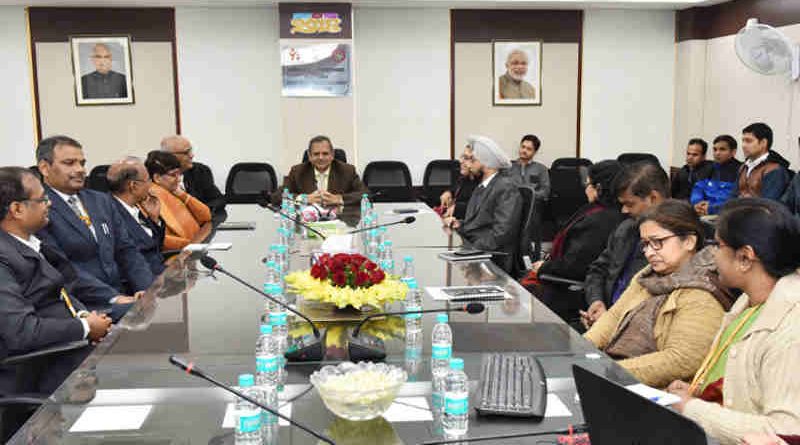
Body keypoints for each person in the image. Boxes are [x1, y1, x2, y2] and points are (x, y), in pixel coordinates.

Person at [667, 198, 800, 445]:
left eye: (718, 245)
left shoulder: (791, 330)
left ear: (745, 258)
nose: (713, 254)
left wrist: (692, 408)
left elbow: (786, 431)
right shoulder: (749, 300)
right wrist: (695, 393)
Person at [584, 200, 732, 388]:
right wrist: (581, 350)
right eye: (645, 244)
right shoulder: (648, 275)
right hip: (617, 376)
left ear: (689, 241)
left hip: (660, 393)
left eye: (658, 242)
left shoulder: (702, 292)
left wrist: (606, 370)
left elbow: (681, 360)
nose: (648, 252)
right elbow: (614, 316)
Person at [0, 167, 112, 396]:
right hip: (39, 370)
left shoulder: (31, 242)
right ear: (17, 209)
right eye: (42, 199)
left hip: (68, 351)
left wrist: (84, 317)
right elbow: (22, 332)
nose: (49, 204)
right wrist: (85, 328)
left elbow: (61, 291)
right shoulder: (3, 258)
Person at [35, 136, 153, 321]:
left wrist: (146, 289)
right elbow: (61, 267)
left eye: (82, 163)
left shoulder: (100, 200)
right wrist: (113, 297)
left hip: (123, 297)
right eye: (69, 163)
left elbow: (127, 250)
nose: (80, 170)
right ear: (44, 168)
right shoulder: (39, 208)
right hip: (84, 307)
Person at [526, 160, 625, 323]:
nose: (585, 187)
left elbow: (575, 267)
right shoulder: (608, 211)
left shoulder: (598, 220)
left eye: (588, 184)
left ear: (598, 188)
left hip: (571, 290)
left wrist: (544, 267)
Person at [581, 162, 669, 328]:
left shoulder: (675, 244)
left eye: (630, 204)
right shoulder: (626, 229)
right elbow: (597, 270)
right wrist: (596, 302)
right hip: (605, 321)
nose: (624, 211)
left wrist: (610, 322)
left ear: (653, 198)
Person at [446, 135, 522, 272]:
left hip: (492, 260)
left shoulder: (506, 187)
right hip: (478, 250)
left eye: (470, 159)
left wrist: (470, 250)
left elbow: (501, 234)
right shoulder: (482, 185)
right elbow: (478, 224)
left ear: (484, 162)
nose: (465, 163)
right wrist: (459, 224)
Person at [107, 157, 166, 276]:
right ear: (133, 186)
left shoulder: (134, 206)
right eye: (148, 180)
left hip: (160, 271)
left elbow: (154, 247)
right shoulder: (109, 212)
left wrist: (154, 220)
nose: (151, 184)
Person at [273, 135, 368, 207]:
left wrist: (339, 199)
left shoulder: (347, 170)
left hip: (340, 221)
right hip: (307, 222)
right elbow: (277, 197)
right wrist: (303, 199)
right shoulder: (297, 171)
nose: (321, 157)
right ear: (309, 156)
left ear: (332, 155)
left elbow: (366, 195)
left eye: (325, 153)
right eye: (316, 154)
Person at [145, 151, 212, 251]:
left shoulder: (173, 191)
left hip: (191, 246)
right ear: (157, 178)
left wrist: (183, 195)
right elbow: (159, 239)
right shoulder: (149, 197)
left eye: (179, 174)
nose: (179, 179)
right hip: (173, 255)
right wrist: (191, 245)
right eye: (173, 175)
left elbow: (206, 216)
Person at [160, 135, 227, 223]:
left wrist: (199, 210)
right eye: (186, 152)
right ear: (170, 156)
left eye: (190, 150)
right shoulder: (156, 176)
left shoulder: (200, 171)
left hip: (199, 226)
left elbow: (218, 200)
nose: (191, 155)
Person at [736, 122, 791, 200]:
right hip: (739, 210)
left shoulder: (775, 170)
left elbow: (768, 203)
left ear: (763, 143)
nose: (743, 145)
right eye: (743, 141)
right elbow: (733, 196)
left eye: (748, 141)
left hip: (760, 211)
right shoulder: (743, 167)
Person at [692, 135, 742, 216]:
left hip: (724, 214)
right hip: (702, 211)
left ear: (733, 152)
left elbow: (734, 199)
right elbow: (698, 188)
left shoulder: (741, 170)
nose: (717, 153)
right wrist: (697, 203)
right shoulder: (708, 168)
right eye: (715, 149)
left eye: (722, 149)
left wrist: (711, 208)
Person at [435, 145, 479, 220]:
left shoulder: (483, 184)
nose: (461, 161)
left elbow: (479, 209)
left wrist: (457, 209)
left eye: (466, 158)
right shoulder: (464, 177)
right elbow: (455, 189)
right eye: (462, 156)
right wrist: (448, 192)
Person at [509, 134, 550, 201]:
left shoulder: (541, 169)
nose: (524, 151)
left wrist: (530, 195)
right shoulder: (509, 166)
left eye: (529, 149)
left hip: (532, 205)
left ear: (535, 152)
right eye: (523, 147)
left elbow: (545, 192)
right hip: (511, 204)